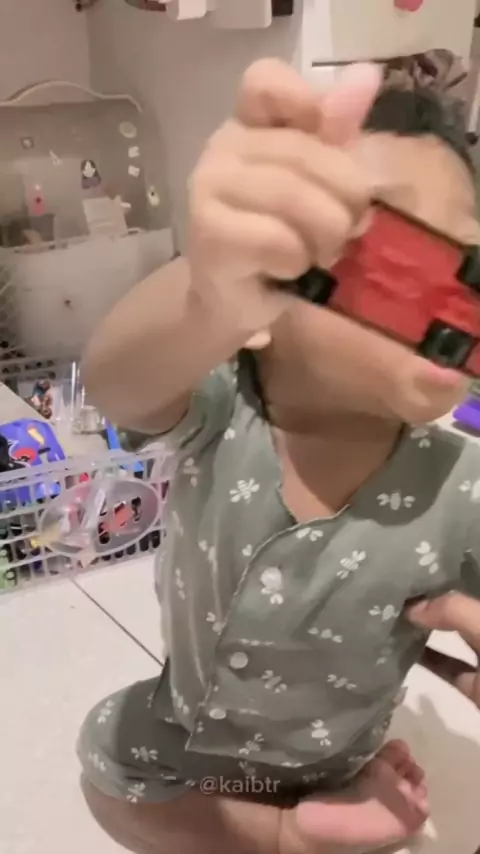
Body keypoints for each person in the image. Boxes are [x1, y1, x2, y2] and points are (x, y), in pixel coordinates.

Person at [78, 60, 480, 854]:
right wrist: (206, 295)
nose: (447, 307)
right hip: (188, 729)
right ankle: (285, 834)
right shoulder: (222, 411)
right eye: (388, 266)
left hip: (337, 755)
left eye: (468, 265)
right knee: (106, 762)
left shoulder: (459, 485)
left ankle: (320, 811)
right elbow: (117, 384)